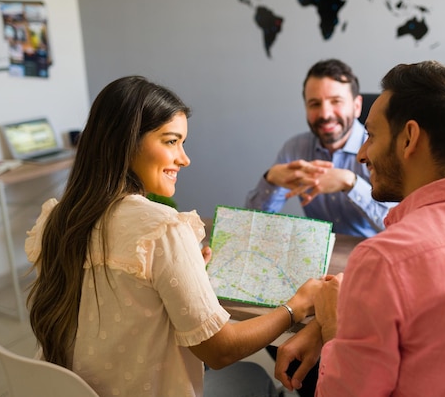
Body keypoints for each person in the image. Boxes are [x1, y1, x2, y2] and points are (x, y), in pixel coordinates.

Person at [25, 75, 323, 397]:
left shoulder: (56, 220)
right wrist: (297, 305)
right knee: (249, 376)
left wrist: (188, 272)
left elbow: (124, 308)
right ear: (125, 142)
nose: (184, 158)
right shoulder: (163, 227)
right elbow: (220, 351)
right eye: (171, 141)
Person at [274, 60, 445, 396]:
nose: (361, 154)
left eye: (371, 136)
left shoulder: (383, 260)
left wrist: (332, 325)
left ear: (409, 139)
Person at [245, 58, 396, 238]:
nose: (325, 114)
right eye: (315, 104)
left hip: (371, 255)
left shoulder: (382, 148)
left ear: (357, 106)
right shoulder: (295, 149)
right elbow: (251, 223)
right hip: (320, 255)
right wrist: (270, 181)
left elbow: (398, 226)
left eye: (336, 101)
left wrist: (351, 183)